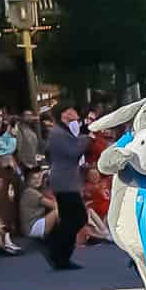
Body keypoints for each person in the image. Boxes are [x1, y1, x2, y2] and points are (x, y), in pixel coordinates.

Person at [46, 106, 95, 270]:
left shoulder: (62, 131)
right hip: (63, 180)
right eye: (72, 110)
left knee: (72, 218)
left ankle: (59, 255)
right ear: (64, 113)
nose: (76, 112)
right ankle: (56, 249)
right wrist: (88, 139)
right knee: (77, 218)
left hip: (66, 179)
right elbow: (74, 152)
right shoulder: (57, 133)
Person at [19, 168, 58, 244]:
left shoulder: (36, 190)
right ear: (27, 181)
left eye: (38, 178)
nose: (37, 181)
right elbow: (54, 205)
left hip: (35, 224)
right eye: (33, 178)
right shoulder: (30, 192)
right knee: (57, 212)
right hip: (31, 228)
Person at [14, 106, 44, 174]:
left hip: (34, 165)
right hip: (26, 167)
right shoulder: (19, 130)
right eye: (27, 115)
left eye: (31, 115)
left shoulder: (31, 130)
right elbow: (18, 149)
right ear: (22, 117)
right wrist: (24, 164)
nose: (30, 117)